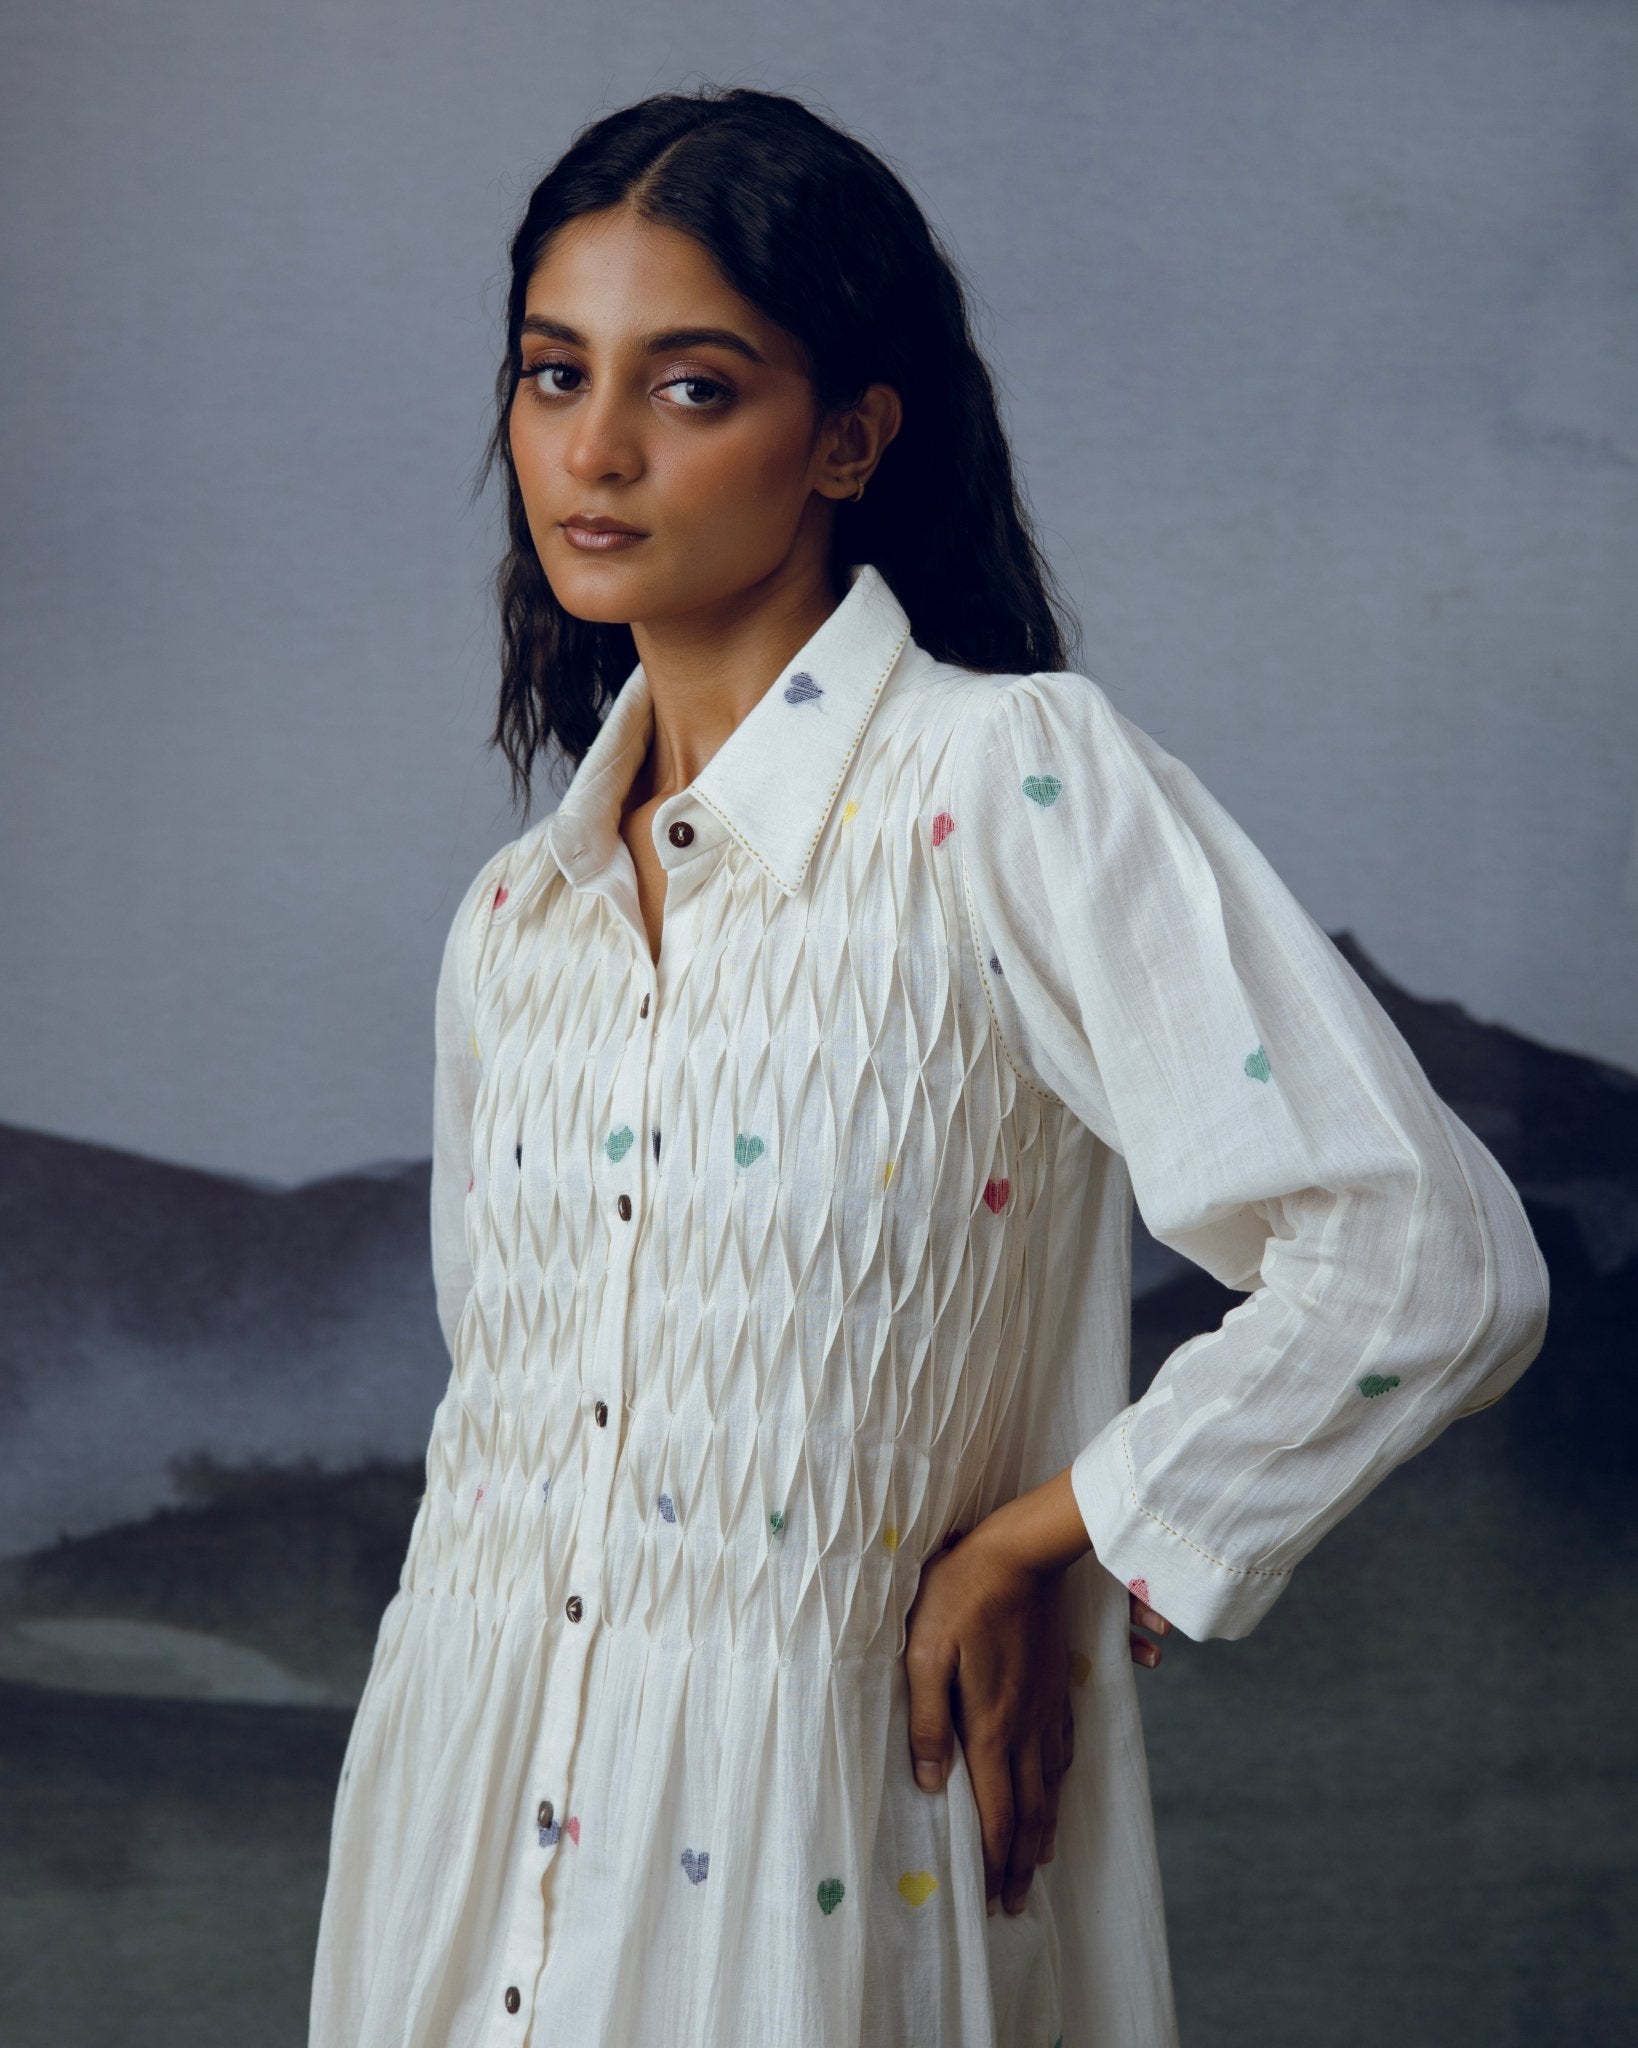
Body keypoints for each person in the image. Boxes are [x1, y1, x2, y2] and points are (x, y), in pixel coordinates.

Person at [307, 84, 1550, 2048]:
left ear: (852, 436)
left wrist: (1055, 1536)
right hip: (461, 1837)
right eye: (554, 374)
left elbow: (1428, 1257)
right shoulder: (516, 920)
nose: (595, 450)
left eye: (690, 387)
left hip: (807, 1862)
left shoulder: (1007, 789)